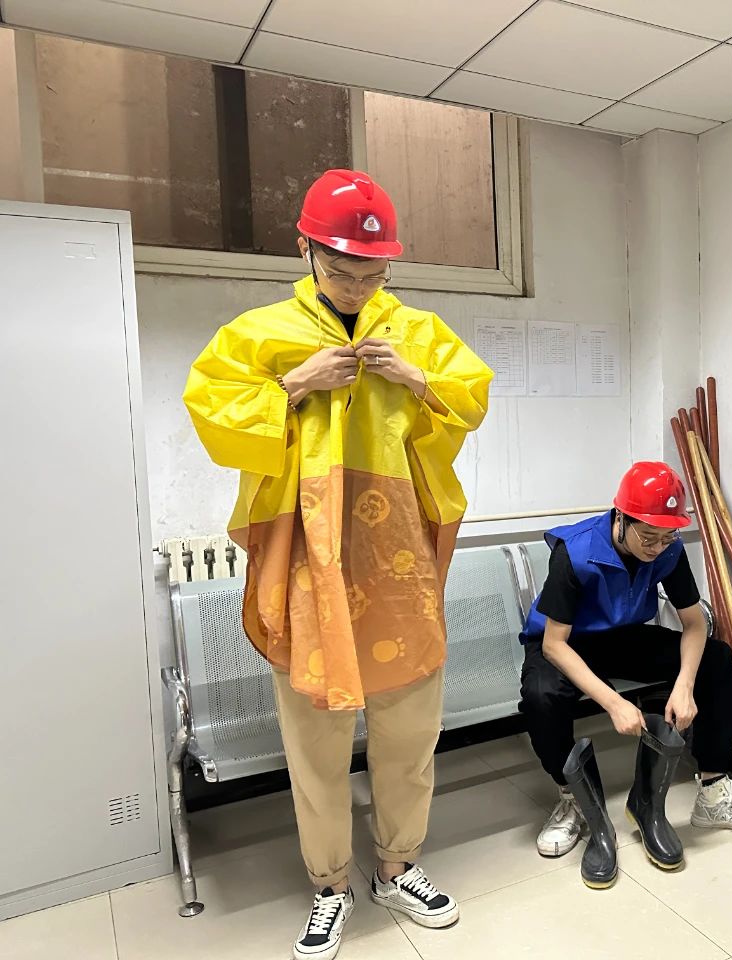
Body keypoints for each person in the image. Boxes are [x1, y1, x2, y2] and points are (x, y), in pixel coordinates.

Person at [184, 169, 493, 960]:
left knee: (409, 729)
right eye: (343, 271)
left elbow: (470, 397)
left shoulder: (417, 331)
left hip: (398, 561)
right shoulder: (260, 332)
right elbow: (211, 412)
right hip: (306, 560)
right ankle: (329, 884)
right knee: (314, 738)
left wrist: (416, 379)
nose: (357, 287)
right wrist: (294, 384)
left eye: (373, 274)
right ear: (307, 250)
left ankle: (398, 867)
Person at [518, 462, 732, 880]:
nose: (657, 547)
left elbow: (694, 624)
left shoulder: (668, 550)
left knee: (716, 658)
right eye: (648, 536)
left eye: (667, 537)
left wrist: (685, 685)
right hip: (564, 642)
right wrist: (614, 703)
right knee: (541, 696)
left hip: (622, 636)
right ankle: (573, 798)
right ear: (620, 518)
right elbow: (554, 644)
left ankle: (714, 790)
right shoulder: (577, 551)